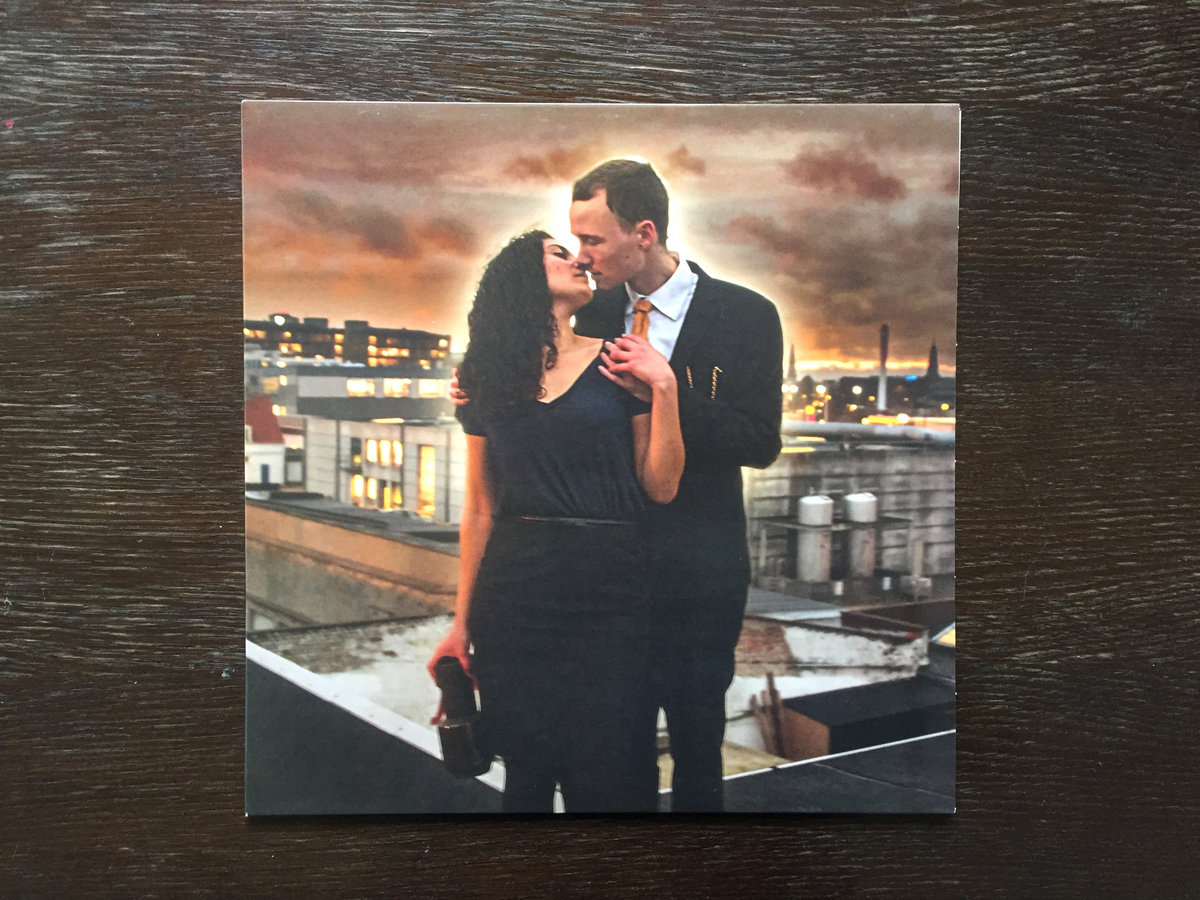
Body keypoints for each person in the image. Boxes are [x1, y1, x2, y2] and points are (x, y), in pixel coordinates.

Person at [427, 230, 684, 813]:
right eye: (559, 253)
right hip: (516, 589)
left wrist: (663, 388)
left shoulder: (619, 358)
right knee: (526, 767)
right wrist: (460, 625)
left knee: (605, 769)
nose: (579, 261)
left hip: (609, 587)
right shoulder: (485, 377)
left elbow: (661, 486)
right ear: (522, 277)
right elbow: (480, 507)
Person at [570, 159, 784, 812]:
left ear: (644, 232)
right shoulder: (586, 313)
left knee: (697, 747)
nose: (581, 256)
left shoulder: (746, 315)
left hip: (700, 574)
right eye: (576, 239)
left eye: (593, 239)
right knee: (622, 750)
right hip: (611, 576)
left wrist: (667, 391)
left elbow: (760, 441)